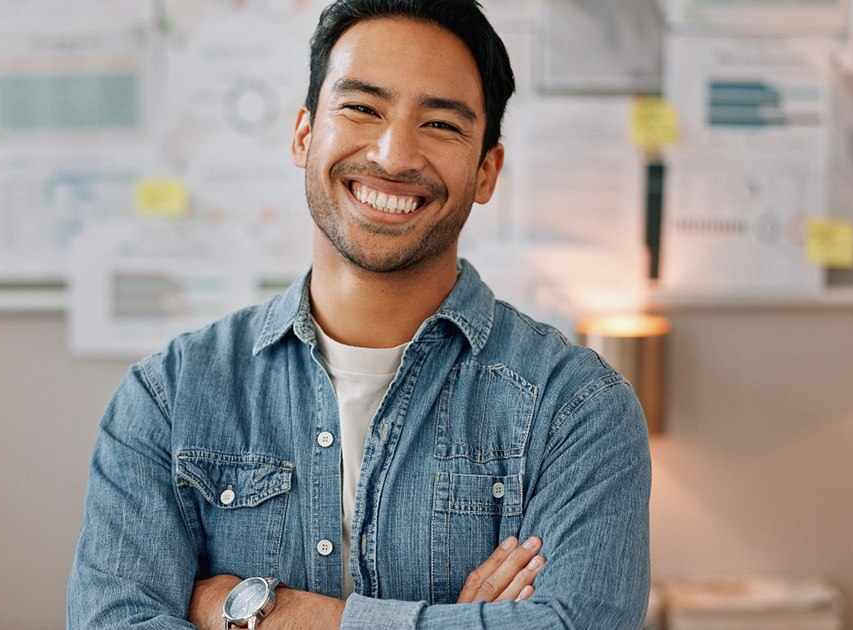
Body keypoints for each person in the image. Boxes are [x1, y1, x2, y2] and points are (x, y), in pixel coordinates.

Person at [67, 1, 651, 628]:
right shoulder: (169, 398)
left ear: (487, 170)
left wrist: (272, 614)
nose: (395, 155)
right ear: (304, 134)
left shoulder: (578, 408)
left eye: (441, 125)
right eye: (362, 108)